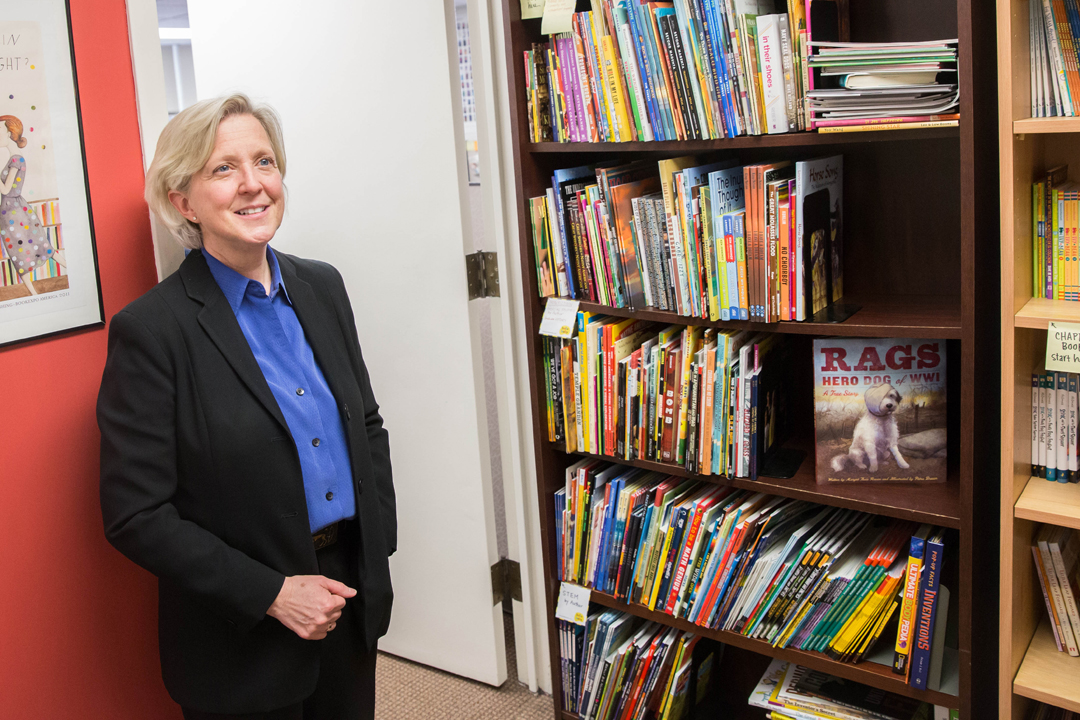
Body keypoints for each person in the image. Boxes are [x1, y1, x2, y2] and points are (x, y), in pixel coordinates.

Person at [97, 93, 395, 720]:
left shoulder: (322, 285)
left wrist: (375, 549)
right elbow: (136, 513)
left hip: (346, 591)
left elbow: (364, 423)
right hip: (240, 629)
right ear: (183, 202)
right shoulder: (153, 331)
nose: (253, 185)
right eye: (223, 168)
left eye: (264, 161)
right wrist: (274, 594)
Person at [0, 114, 66, 296]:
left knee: (35, 247)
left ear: (10, 134)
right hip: (12, 210)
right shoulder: (15, 158)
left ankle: (68, 271)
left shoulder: (16, 159)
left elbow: (6, 190)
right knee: (23, 252)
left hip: (13, 211)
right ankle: (33, 294)